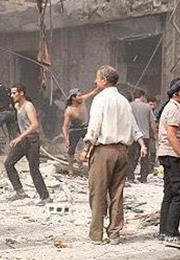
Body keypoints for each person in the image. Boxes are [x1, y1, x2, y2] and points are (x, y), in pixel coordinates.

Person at [79, 66, 146, 245]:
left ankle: (96, 234)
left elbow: (94, 127)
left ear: (104, 80)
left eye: (97, 78)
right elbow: (133, 126)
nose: (95, 81)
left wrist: (85, 149)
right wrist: (141, 143)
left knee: (97, 192)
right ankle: (115, 233)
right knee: (117, 193)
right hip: (122, 151)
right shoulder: (124, 101)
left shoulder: (100, 99)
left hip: (104, 151)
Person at [156, 78, 180, 249]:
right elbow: (172, 136)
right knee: (179, 195)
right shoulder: (174, 110)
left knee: (170, 194)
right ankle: (171, 233)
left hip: (167, 154)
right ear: (176, 93)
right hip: (173, 156)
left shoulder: (171, 108)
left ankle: (164, 231)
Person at [4, 84, 52, 203]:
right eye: (11, 93)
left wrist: (20, 137)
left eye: (14, 93)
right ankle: (20, 192)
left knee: (33, 169)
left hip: (31, 141)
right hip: (22, 140)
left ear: (21, 93)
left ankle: (45, 197)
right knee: (8, 163)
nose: (12, 95)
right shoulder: (17, 106)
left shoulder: (28, 106)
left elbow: (34, 125)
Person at [61, 88, 97, 176]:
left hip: (86, 127)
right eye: (79, 95)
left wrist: (100, 85)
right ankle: (70, 170)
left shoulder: (82, 100)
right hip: (75, 129)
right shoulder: (69, 110)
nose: (81, 97)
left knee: (92, 145)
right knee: (71, 150)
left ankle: (84, 161)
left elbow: (93, 92)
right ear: (73, 98)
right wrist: (66, 139)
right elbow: (65, 126)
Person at [128, 89, 156, 183]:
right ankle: (143, 177)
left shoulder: (129, 106)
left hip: (132, 136)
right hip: (145, 135)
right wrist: (155, 134)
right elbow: (152, 123)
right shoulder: (147, 107)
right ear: (142, 96)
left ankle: (130, 176)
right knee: (144, 157)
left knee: (131, 156)